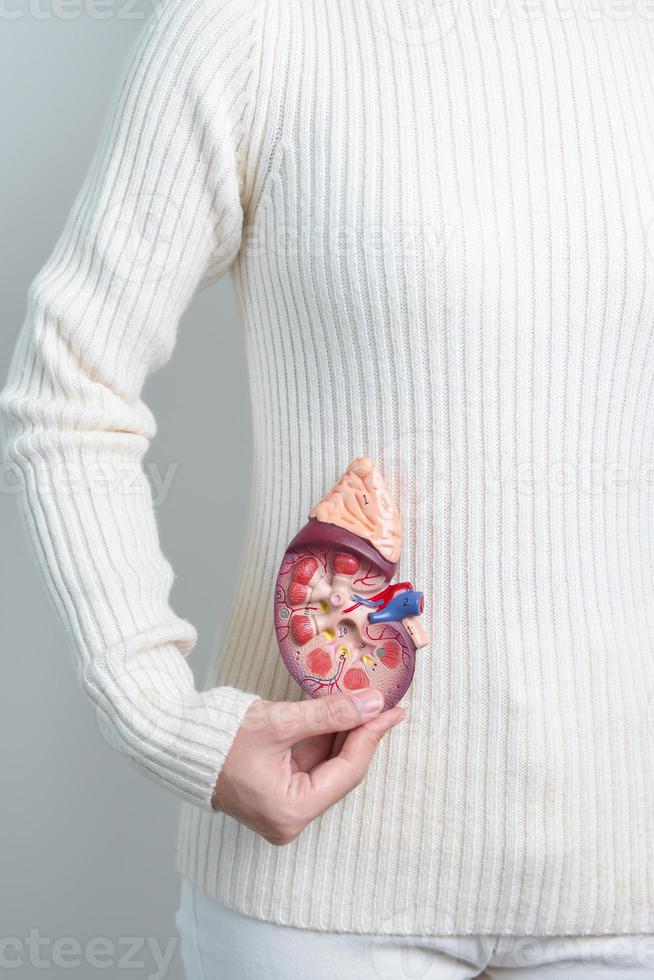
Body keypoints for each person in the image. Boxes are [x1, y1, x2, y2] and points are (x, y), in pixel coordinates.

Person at [3, 0, 654, 976]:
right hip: (319, 892)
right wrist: (163, 715)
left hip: (633, 881)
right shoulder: (249, 29)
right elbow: (68, 388)